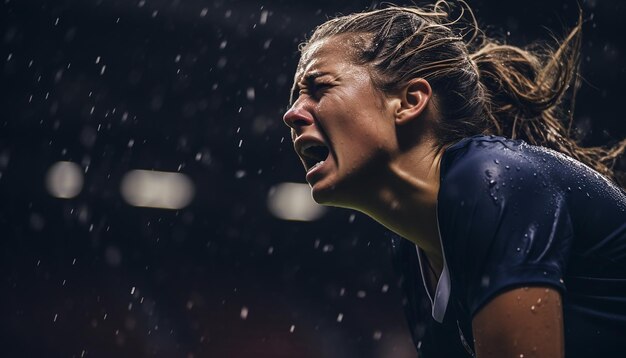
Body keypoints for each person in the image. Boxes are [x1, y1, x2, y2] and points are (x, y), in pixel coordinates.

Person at [282, 1, 626, 357]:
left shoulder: (491, 179)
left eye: (318, 87)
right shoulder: (412, 249)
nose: (291, 114)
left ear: (410, 100)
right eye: (296, 97)